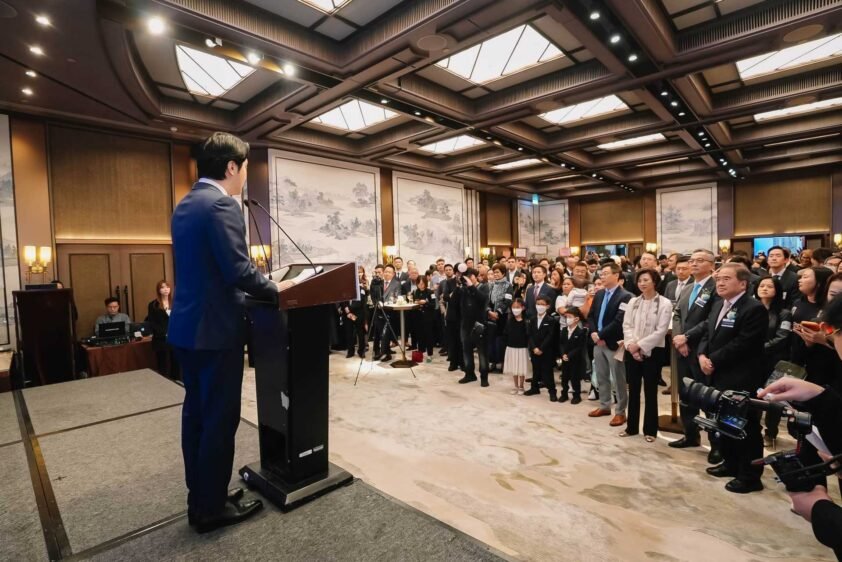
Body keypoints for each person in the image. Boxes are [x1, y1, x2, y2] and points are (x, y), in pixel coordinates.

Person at [168, 132, 286, 533]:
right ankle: (211, 509)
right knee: (219, 419)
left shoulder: (187, 203)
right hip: (216, 332)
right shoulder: (222, 204)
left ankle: (203, 494)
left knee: (197, 417)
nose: (246, 175)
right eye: (246, 167)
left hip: (188, 330)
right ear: (231, 166)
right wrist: (279, 289)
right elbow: (238, 270)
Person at [684, 263, 767, 493]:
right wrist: (702, 355)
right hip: (717, 374)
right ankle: (730, 463)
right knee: (724, 422)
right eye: (718, 279)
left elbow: (744, 343)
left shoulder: (753, 308)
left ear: (743, 283)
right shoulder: (719, 304)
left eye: (726, 279)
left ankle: (750, 476)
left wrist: (712, 360)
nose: (720, 283)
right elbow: (708, 333)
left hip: (741, 376)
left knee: (745, 426)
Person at [670, 249, 721, 460]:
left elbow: (712, 319)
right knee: (686, 395)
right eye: (692, 260)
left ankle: (716, 445)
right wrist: (678, 337)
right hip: (682, 349)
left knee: (707, 398)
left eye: (700, 260)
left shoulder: (716, 288)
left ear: (712, 265)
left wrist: (687, 337)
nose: (694, 264)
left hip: (702, 349)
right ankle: (690, 435)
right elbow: (677, 314)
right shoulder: (688, 287)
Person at [620, 269, 672, 442]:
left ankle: (650, 430)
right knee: (633, 390)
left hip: (654, 351)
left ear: (654, 282)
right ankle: (631, 427)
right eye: (640, 280)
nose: (642, 283)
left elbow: (661, 330)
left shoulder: (664, 303)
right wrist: (631, 346)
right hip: (632, 350)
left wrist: (640, 346)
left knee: (650, 391)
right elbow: (627, 325)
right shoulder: (633, 301)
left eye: (646, 280)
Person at [586, 261, 632, 426]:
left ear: (616, 275)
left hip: (614, 343)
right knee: (601, 375)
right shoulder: (599, 294)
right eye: (601, 274)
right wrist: (593, 333)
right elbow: (591, 315)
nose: (602, 277)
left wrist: (601, 334)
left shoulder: (626, 296)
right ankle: (604, 405)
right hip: (597, 342)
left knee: (618, 379)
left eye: (605, 274)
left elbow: (619, 321)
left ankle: (620, 411)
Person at [753, 275, 792, 449]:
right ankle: (754, 429)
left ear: (777, 291)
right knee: (754, 395)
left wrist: (759, 348)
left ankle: (771, 432)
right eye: (762, 285)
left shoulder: (784, 313)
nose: (764, 288)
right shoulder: (752, 309)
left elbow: (782, 338)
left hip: (774, 360)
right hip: (753, 360)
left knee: (772, 397)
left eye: (769, 286)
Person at [457, 268, 490, 386]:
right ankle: (469, 374)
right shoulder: (463, 289)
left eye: (470, 276)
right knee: (466, 350)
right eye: (466, 277)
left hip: (479, 323)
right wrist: (458, 286)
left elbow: (483, 299)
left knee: (482, 352)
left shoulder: (484, 287)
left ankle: (484, 377)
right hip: (465, 324)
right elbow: (454, 301)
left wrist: (471, 286)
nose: (468, 279)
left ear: (476, 277)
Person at [524, 296, 558, 400]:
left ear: (548, 306)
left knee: (547, 371)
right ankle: (534, 388)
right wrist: (534, 347)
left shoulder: (551, 320)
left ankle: (552, 391)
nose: (539, 306)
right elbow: (529, 335)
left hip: (546, 350)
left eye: (542, 304)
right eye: (538, 304)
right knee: (535, 369)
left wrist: (541, 348)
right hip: (534, 349)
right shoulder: (532, 319)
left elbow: (550, 336)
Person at [146, 280, 178, 379]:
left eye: (167, 287)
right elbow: (152, 322)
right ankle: (164, 381)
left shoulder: (176, 302)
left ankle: (176, 380)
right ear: (158, 290)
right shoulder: (153, 305)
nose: (165, 289)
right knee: (163, 363)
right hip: (160, 338)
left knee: (176, 362)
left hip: (175, 337)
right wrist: (164, 333)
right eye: (162, 287)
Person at [558, 306, 587, 404]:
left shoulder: (581, 332)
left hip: (575, 360)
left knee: (575, 378)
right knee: (564, 378)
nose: (567, 319)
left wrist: (569, 355)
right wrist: (563, 354)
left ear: (576, 319)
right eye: (566, 317)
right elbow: (561, 344)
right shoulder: (564, 330)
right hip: (565, 359)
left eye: (570, 317)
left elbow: (580, 347)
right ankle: (564, 394)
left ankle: (576, 395)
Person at [487, 264, 513, 373]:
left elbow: (508, 301)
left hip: (502, 315)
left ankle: (502, 362)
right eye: (494, 272)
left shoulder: (508, 285)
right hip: (491, 314)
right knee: (491, 339)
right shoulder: (491, 284)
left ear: (503, 273)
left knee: (500, 340)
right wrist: (490, 311)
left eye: (497, 272)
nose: (495, 274)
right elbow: (487, 300)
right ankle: (492, 361)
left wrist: (498, 312)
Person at [341, 266, 368, 359]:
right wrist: (347, 310)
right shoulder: (345, 287)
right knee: (349, 333)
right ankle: (350, 351)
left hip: (358, 313)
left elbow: (361, 302)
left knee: (360, 333)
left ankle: (361, 351)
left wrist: (350, 310)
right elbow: (343, 300)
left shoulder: (361, 288)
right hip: (347, 314)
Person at [504, 298, 529, 395]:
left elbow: (528, 335)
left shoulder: (526, 321)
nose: (515, 309)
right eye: (513, 307)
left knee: (521, 368)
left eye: (518, 307)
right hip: (511, 347)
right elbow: (506, 333)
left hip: (522, 348)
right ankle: (515, 386)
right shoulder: (509, 320)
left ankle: (521, 386)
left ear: (523, 308)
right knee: (514, 367)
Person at [412, 276, 436, 362]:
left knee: (428, 335)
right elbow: (413, 302)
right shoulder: (415, 292)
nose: (420, 285)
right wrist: (415, 302)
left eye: (422, 283)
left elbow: (433, 304)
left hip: (428, 317)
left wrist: (425, 303)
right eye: (419, 283)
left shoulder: (430, 292)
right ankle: (421, 352)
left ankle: (430, 354)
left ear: (425, 283)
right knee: (419, 335)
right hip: (418, 316)